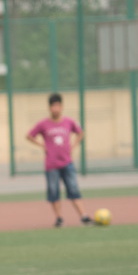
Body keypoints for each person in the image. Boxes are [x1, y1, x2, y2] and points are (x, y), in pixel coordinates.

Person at [26, 93, 92, 227]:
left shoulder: (69, 122)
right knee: (53, 191)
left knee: (73, 189)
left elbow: (80, 133)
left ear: (61, 107)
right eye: (53, 106)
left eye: (58, 106)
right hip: (51, 164)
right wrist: (42, 145)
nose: (55, 109)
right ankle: (59, 218)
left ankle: (84, 216)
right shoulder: (43, 124)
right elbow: (29, 136)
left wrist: (74, 145)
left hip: (67, 162)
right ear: (49, 108)